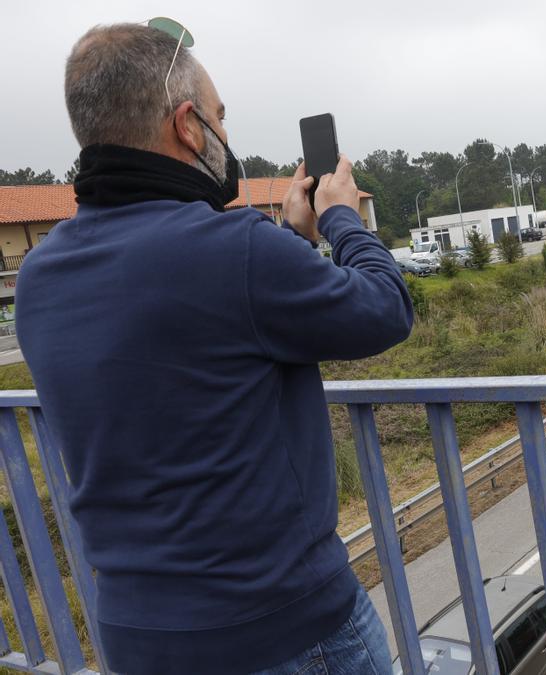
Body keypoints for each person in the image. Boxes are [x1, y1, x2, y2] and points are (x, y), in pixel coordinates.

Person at [16, 23, 413, 674]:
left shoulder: (41, 275)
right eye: (220, 118)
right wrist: (339, 216)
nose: (226, 136)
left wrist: (290, 235)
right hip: (279, 628)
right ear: (188, 126)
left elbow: (197, 339)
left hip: (136, 636)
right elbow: (386, 309)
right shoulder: (238, 249)